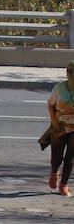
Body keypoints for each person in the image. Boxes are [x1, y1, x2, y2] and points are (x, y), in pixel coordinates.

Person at [46, 61, 74, 196]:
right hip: (59, 126)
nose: (72, 74)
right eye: (70, 71)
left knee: (71, 157)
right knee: (56, 156)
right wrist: (54, 121)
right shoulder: (60, 87)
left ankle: (63, 185)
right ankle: (54, 171)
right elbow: (50, 104)